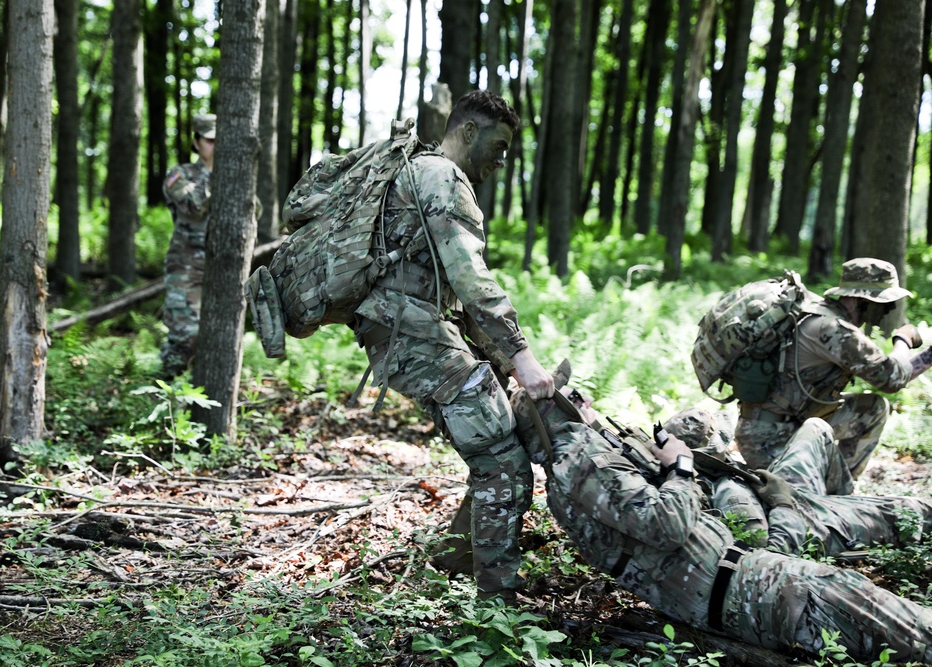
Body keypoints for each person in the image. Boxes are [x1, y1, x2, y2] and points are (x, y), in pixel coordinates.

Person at [507, 371, 932, 663]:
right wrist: (681, 466)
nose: (584, 399)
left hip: (754, 583)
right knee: (913, 630)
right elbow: (666, 525)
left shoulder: (581, 466)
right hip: (756, 589)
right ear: (553, 412)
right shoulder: (583, 463)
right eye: (572, 396)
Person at [352, 90, 553, 603]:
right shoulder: (442, 177)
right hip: (408, 333)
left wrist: (494, 357)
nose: (502, 159)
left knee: (497, 438)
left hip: (407, 328)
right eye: (500, 145)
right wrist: (521, 357)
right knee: (503, 463)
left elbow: (443, 284)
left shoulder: (422, 171)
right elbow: (469, 275)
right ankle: (497, 607)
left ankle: (455, 560)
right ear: (468, 132)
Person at [733, 257, 926, 487]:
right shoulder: (834, 330)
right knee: (806, 503)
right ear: (860, 300)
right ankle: (836, 493)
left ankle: (839, 484)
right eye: (884, 304)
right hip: (769, 438)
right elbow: (892, 378)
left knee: (872, 409)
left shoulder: (820, 314)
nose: (889, 311)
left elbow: (891, 377)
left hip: (790, 423)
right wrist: (903, 340)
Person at [662, 408, 932, 558]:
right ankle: (850, 513)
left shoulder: (701, 471)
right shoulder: (731, 495)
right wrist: (782, 503)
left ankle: (846, 499)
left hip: (788, 494)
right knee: (918, 510)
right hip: (808, 521)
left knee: (817, 427)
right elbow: (774, 555)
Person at [160, 114, 217, 378]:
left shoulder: (236, 177)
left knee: (213, 343)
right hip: (186, 268)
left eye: (220, 141)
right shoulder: (180, 174)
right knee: (185, 338)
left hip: (220, 271)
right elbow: (193, 206)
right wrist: (215, 175)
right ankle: (162, 396)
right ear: (196, 143)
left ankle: (197, 408)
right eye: (209, 140)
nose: (215, 146)